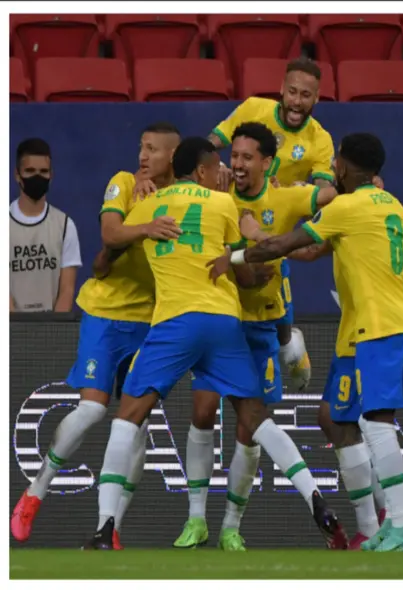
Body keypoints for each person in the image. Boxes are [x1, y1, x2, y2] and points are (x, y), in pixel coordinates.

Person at [86, 137, 342, 550]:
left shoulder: (150, 204)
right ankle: (316, 499)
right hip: (224, 321)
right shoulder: (224, 204)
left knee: (127, 417)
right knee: (256, 418)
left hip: (175, 322)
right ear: (203, 170)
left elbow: (112, 238)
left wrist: (141, 221)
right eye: (218, 165)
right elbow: (243, 272)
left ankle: (104, 526)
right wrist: (255, 274)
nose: (223, 172)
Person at [211, 132, 403, 552]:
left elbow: (281, 244)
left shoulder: (346, 206)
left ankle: (401, 525)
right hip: (371, 326)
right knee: (335, 417)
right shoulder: (392, 206)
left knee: (375, 422)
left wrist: (241, 245)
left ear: (343, 166)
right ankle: (372, 528)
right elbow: (312, 251)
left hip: (380, 326)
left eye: (336, 163)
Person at [170, 122, 344, 551]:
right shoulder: (217, 194)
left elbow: (330, 196)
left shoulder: (283, 197)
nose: (238, 164)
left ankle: (231, 526)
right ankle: (196, 520)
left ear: (267, 163)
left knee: (249, 429)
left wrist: (344, 183)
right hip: (224, 321)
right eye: (235, 155)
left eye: (248, 157)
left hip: (263, 322)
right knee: (202, 411)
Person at [10, 124, 181, 549]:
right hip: (105, 314)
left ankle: (110, 527)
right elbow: (109, 233)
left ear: (172, 157)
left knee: (137, 427)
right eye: (140, 147)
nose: (142, 156)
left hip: (151, 321)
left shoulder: (182, 197)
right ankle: (36, 490)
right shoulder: (123, 183)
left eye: (152, 149)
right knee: (91, 410)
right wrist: (146, 225)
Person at [208, 57, 338, 395]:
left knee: (281, 328)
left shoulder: (320, 139)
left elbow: (325, 189)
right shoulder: (253, 108)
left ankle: (288, 342)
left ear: (317, 98)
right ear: (281, 89)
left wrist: (301, 191)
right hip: (236, 218)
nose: (297, 101)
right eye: (292, 92)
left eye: (306, 95)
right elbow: (211, 145)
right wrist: (213, 165)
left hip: (274, 231)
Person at [9, 138, 81, 312]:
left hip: (51, 326)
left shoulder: (65, 226)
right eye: (30, 171)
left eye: (43, 171)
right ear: (17, 175)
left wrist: (52, 326)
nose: (37, 177)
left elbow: (67, 290)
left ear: (51, 175)